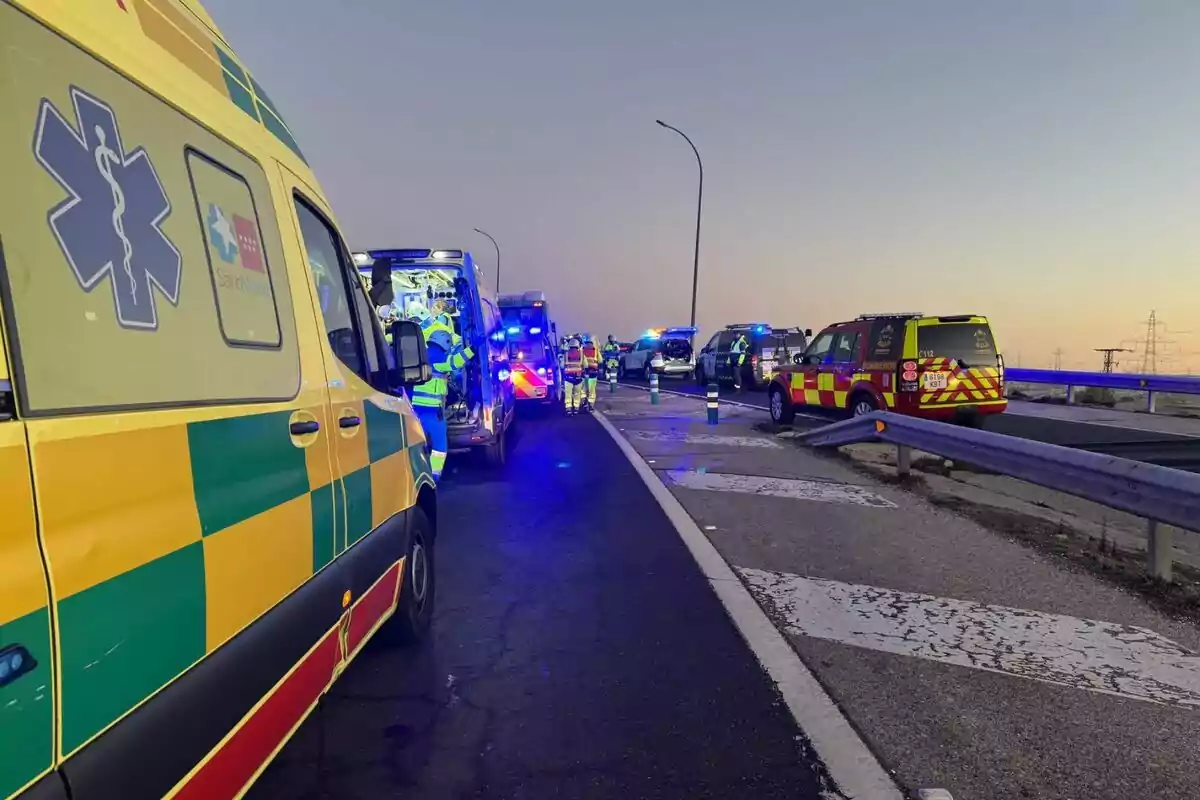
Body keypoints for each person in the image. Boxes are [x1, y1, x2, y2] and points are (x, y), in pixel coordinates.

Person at [408, 303, 476, 481]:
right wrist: (472, 350)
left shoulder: (421, 354)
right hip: (433, 413)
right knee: (439, 448)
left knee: (416, 445)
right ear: (445, 343)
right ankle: (434, 477)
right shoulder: (438, 357)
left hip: (414, 411)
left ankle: (413, 475)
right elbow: (454, 363)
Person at [562, 334, 585, 415]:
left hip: (568, 378)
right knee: (577, 394)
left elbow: (562, 365)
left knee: (568, 395)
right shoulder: (581, 355)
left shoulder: (566, 354)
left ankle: (568, 409)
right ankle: (576, 409)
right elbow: (585, 365)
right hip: (578, 378)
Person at [580, 332, 600, 411]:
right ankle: (591, 405)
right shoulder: (595, 350)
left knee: (583, 388)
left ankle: (584, 402)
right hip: (593, 372)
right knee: (592, 390)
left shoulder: (581, 349)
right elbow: (601, 360)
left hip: (584, 372)